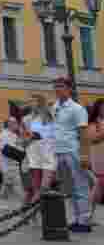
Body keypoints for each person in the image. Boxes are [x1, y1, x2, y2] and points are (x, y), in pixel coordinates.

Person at [51, 77, 93, 232]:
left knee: (80, 186)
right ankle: (76, 218)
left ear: (69, 89)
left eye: (61, 86)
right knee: (69, 188)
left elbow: (83, 134)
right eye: (55, 87)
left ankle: (85, 221)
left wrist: (85, 156)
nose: (57, 90)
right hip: (59, 151)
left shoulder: (77, 109)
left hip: (73, 151)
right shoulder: (54, 107)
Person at [23, 94, 56, 206]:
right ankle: (28, 212)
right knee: (34, 189)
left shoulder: (50, 116)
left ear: (41, 103)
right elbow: (24, 140)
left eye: (35, 101)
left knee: (44, 187)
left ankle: (28, 212)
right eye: (31, 101)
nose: (32, 104)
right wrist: (29, 138)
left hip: (48, 155)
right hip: (34, 155)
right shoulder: (26, 119)